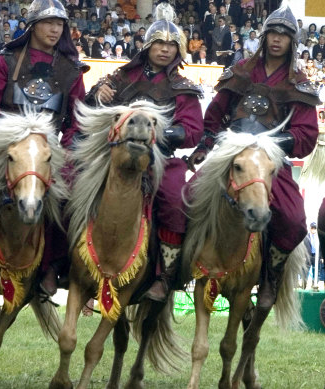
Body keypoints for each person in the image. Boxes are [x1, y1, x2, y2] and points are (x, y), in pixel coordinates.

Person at [188, 2, 320, 310]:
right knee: (188, 199)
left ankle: (271, 276)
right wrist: (206, 145)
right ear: (263, 37)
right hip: (231, 156)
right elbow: (215, 115)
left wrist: (274, 144)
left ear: (292, 42)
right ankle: (177, 269)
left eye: (283, 36)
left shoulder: (298, 83)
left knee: (293, 218)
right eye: (272, 33)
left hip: (271, 162)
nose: (276, 39)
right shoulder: (242, 71)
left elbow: (306, 135)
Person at [0, 0, 88, 296]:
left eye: (60, 24)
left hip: (48, 154)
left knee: (69, 198)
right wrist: (1, 131)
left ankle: (52, 267)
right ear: (32, 25)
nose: (55, 29)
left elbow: (77, 117)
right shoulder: (4, 61)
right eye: (48, 23)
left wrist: (68, 149)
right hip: (2, 150)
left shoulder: (71, 70)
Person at [85, 2, 204, 302]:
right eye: (159, 43)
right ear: (148, 45)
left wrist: (164, 132)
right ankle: (70, 265)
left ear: (179, 49)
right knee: (75, 189)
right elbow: (94, 110)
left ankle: (165, 275)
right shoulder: (121, 78)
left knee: (177, 201)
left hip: (161, 159)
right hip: (115, 156)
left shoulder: (184, 88)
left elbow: (193, 130)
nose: (165, 49)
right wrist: (98, 95)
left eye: (171, 44)